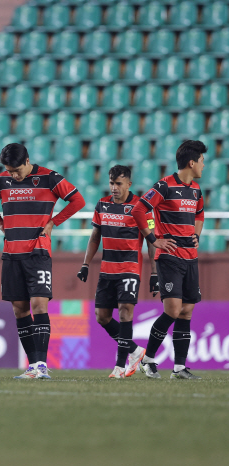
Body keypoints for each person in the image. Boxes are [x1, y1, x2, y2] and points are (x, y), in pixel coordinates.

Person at [0, 143, 85, 379]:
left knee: (39, 305)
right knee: (20, 310)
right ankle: (32, 366)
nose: (13, 175)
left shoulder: (50, 178)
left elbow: (77, 200)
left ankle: (41, 365)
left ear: (27, 161)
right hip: (11, 254)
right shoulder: (1, 181)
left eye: (17, 170)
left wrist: (53, 222)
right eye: (9, 171)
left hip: (37, 253)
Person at [131, 140, 205, 380]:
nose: (204, 165)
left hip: (190, 258)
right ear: (192, 162)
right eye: (202, 160)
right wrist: (154, 239)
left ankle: (179, 368)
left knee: (186, 311)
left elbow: (200, 214)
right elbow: (139, 210)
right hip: (170, 257)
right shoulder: (164, 186)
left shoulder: (196, 190)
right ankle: (149, 360)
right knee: (172, 310)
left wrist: (196, 235)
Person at [76, 165, 157, 379]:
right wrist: (85, 264)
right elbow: (95, 237)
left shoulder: (141, 207)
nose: (114, 188)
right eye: (111, 183)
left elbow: (152, 242)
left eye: (118, 184)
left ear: (129, 184)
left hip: (130, 269)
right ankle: (135, 350)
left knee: (124, 313)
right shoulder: (102, 205)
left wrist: (155, 272)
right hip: (106, 270)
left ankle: (120, 367)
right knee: (102, 317)